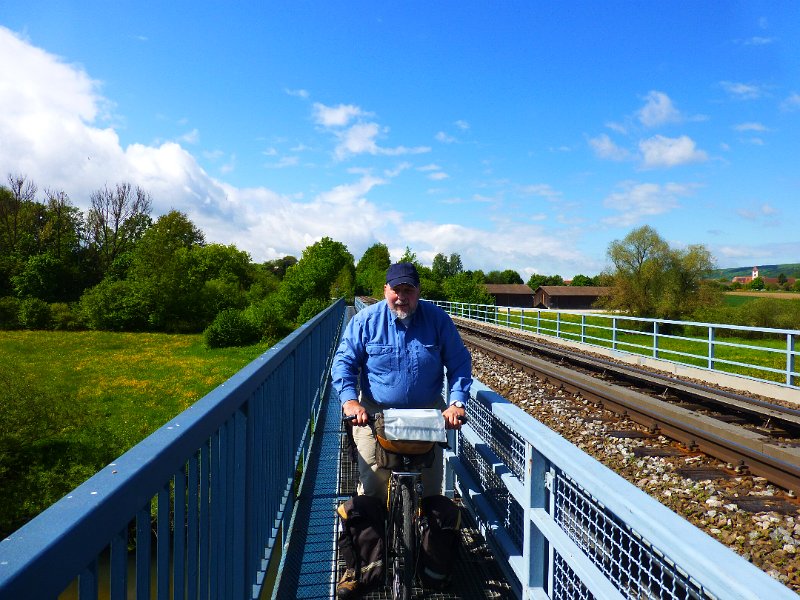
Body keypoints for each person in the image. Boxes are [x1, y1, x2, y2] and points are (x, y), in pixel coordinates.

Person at [331, 262, 472, 597]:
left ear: (418, 292)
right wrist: (351, 401)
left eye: (409, 290)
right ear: (385, 290)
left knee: (432, 493)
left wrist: (456, 402)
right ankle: (367, 565)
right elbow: (345, 362)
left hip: (426, 415)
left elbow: (459, 361)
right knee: (373, 489)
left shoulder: (436, 320)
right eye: (396, 290)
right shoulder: (366, 321)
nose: (402, 297)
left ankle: (429, 564)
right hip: (376, 415)